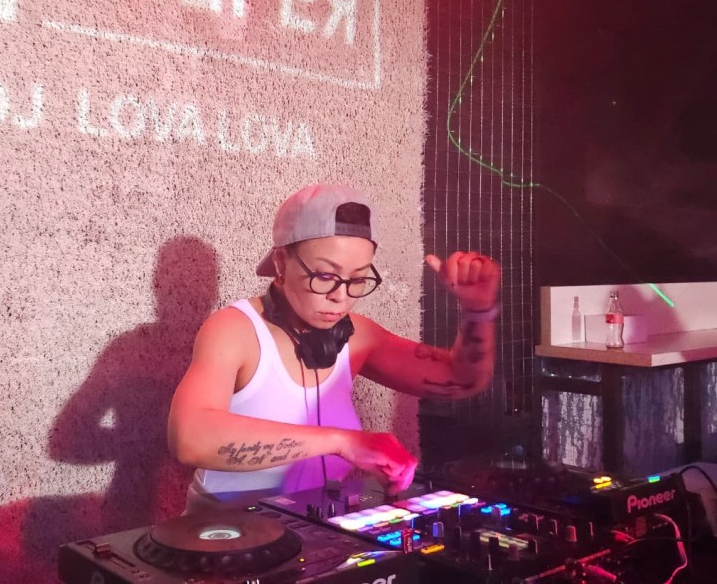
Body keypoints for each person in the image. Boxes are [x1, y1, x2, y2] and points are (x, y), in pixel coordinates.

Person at [167, 184, 501, 512]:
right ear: (281, 262)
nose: (340, 297)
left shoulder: (356, 336)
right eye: (325, 276)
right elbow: (189, 437)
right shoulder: (234, 329)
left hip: (318, 526)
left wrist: (479, 311)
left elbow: (461, 380)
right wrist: (343, 442)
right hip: (228, 532)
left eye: (357, 280)